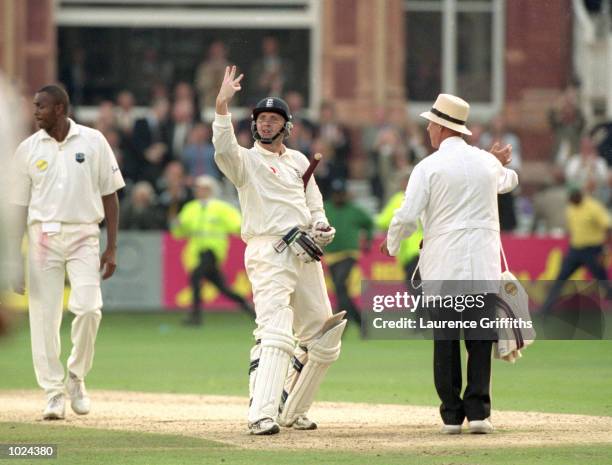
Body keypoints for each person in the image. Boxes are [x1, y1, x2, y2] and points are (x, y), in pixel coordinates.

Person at [213, 65, 346, 435]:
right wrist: (222, 107)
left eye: (273, 119)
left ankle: (293, 409)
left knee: (323, 335)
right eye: (261, 119)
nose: (266, 124)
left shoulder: (300, 161)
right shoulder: (246, 161)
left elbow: (313, 203)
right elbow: (223, 148)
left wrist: (321, 227)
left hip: (304, 252)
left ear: (287, 126)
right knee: (275, 333)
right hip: (268, 250)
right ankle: (262, 414)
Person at [381, 93, 518, 435]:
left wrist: (392, 243)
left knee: (445, 341)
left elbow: (408, 214)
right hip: (482, 265)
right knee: (480, 339)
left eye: (430, 123)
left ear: (442, 128)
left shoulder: (428, 167)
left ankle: (452, 416)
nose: (428, 128)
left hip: (444, 266)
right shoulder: (486, 163)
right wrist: (498, 162)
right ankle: (480, 413)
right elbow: (509, 180)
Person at [9, 84, 125, 420]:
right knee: (44, 317)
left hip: (84, 235)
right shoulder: (28, 149)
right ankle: (53, 392)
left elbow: (110, 195)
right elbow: (17, 206)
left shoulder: (92, 141)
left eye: (41, 107)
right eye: (34, 106)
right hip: (42, 236)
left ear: (60, 108)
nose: (35, 112)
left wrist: (112, 246)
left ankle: (76, 376)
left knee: (89, 309)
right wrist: (14, 256)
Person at [171, 175, 253, 326]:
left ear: (210, 190)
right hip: (198, 252)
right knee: (223, 289)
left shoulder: (221, 208)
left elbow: (237, 224)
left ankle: (195, 316)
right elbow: (180, 232)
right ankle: (251, 310)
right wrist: (177, 225)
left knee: (196, 276)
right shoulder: (191, 208)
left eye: (203, 188)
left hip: (213, 251)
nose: (199, 191)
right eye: (198, 188)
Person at [540, 187, 611, 313]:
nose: (571, 200)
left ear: (579, 195)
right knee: (560, 278)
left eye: (573, 198)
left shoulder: (593, 207)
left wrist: (605, 249)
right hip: (576, 250)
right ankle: (546, 308)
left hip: (593, 250)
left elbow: (608, 228)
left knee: (603, 280)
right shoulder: (570, 208)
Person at [323, 178, 373, 333]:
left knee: (339, 285)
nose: (339, 196)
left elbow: (369, 224)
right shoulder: (325, 208)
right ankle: (360, 322)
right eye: (337, 194)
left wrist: (368, 241)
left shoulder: (354, 210)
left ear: (346, 194)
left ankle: (341, 325)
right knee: (341, 290)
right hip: (331, 255)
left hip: (349, 254)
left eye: (342, 193)